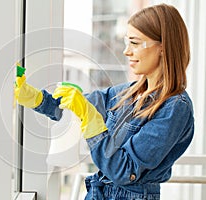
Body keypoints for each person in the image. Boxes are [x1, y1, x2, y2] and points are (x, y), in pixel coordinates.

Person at [14, 3, 194, 200]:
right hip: (98, 193)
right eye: (127, 42)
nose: (126, 51)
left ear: (163, 47)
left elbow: (124, 170)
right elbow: (74, 107)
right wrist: (34, 97)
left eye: (134, 43)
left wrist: (91, 120)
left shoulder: (174, 108)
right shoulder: (128, 93)